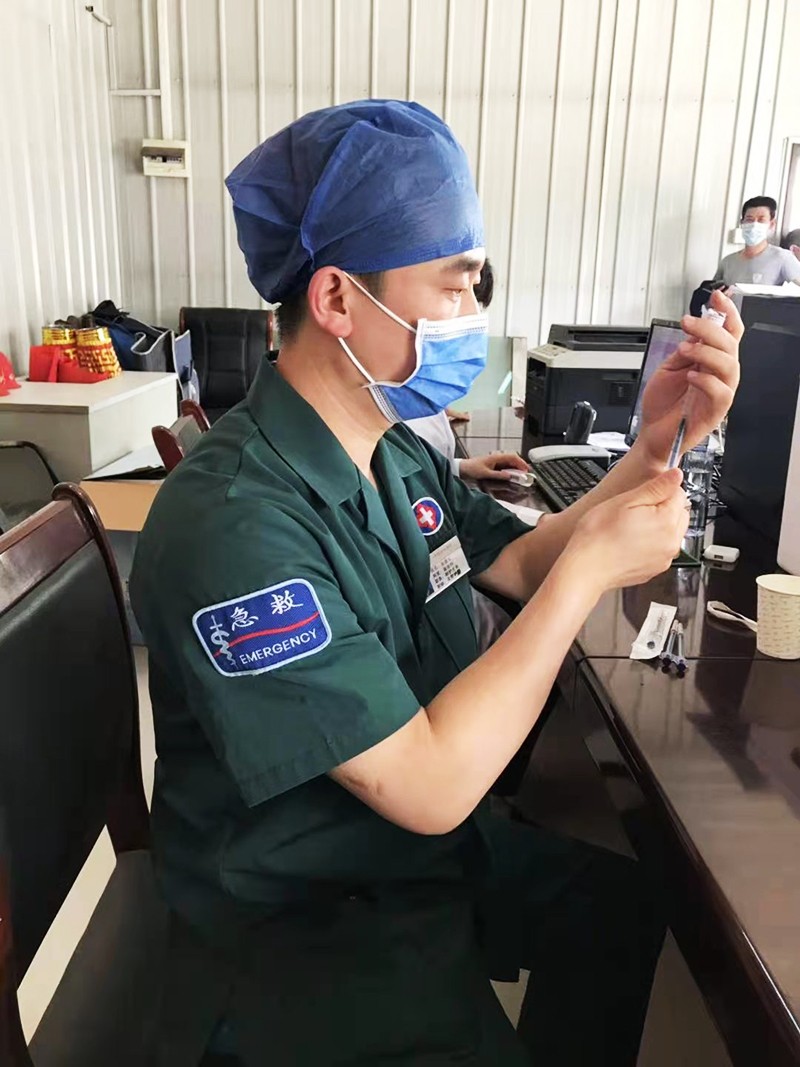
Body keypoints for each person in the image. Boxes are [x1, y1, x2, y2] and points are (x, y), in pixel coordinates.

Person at [130, 100, 742, 1066]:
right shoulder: (236, 526)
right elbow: (431, 784)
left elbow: (523, 561)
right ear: (337, 300)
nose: (471, 318)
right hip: (304, 932)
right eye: (453, 286)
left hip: (395, 859)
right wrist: (591, 569)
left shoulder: (388, 451)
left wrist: (660, 440)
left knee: (618, 912)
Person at [407, 259, 530, 484]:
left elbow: (415, 471)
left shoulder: (420, 397)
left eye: (475, 300)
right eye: (456, 292)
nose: (472, 315)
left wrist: (461, 467)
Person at [714, 196, 800, 286]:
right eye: (749, 219)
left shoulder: (782, 257)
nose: (754, 224)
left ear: (771, 224)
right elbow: (711, 291)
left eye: (761, 220)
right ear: (742, 223)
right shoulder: (727, 261)